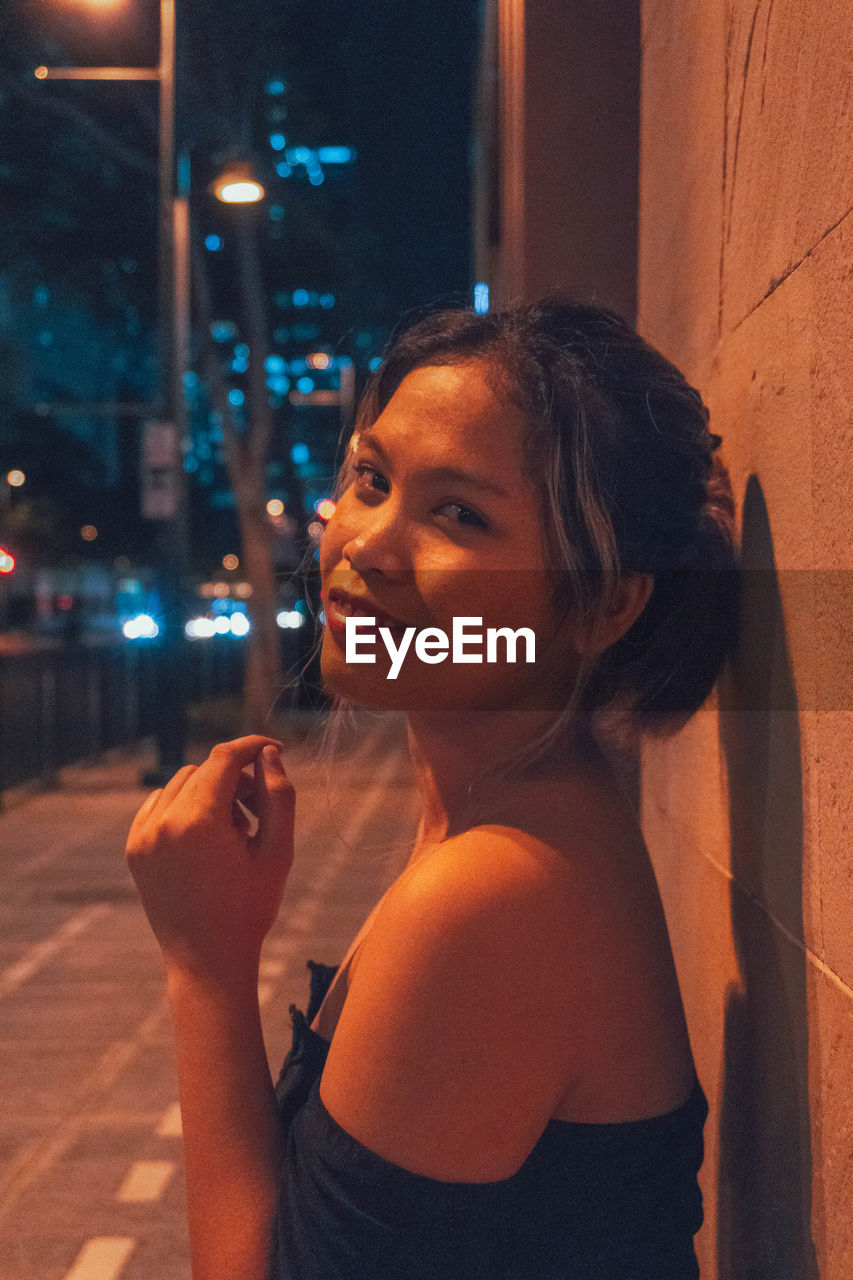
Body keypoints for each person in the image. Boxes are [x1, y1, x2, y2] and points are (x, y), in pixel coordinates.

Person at [126, 296, 740, 1279]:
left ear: (603, 601)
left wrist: (205, 963)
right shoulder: (520, 817)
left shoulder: (492, 894)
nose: (366, 542)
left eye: (458, 512)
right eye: (371, 477)